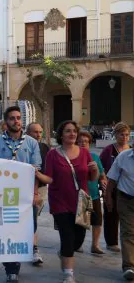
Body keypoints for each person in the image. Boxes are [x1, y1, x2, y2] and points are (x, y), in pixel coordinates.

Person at [0, 106, 52, 282]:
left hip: (25, 196)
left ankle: (20, 259)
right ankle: (11, 267)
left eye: (18, 118)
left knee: (27, 229)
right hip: (4, 195)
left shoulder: (31, 143)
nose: (16, 121)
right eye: (12, 118)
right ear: (5, 122)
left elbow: (35, 171)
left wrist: (34, 194)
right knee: (6, 230)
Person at [44, 120, 99, 283]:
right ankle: (68, 274)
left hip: (81, 201)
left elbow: (92, 178)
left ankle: (65, 252)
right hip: (59, 201)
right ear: (61, 135)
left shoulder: (84, 152)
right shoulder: (52, 154)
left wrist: (95, 170)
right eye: (68, 131)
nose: (72, 134)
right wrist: (37, 174)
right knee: (67, 236)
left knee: (79, 238)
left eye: (74, 131)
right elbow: (49, 178)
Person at [100, 122, 131, 253]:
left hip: (126, 188)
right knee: (111, 214)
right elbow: (101, 166)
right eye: (121, 134)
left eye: (126, 135)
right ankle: (111, 242)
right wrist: (103, 181)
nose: (124, 137)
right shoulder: (109, 150)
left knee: (126, 217)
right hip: (111, 186)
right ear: (116, 135)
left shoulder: (130, 150)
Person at [104, 145, 134, 280]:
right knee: (128, 231)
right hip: (126, 199)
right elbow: (112, 179)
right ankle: (129, 266)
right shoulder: (123, 157)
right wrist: (108, 197)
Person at [76, 130, 106, 254]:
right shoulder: (74, 157)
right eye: (80, 141)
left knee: (98, 220)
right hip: (80, 195)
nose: (83, 144)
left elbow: (102, 174)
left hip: (94, 195)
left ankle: (95, 245)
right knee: (81, 223)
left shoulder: (94, 157)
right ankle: (77, 244)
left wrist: (103, 181)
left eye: (86, 142)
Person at [26, 122, 50, 265]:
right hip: (24, 188)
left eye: (40, 132)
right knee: (30, 219)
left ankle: (33, 247)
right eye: (35, 132)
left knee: (34, 218)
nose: (38, 135)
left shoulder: (44, 147)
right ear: (28, 133)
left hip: (40, 188)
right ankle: (33, 248)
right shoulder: (24, 146)